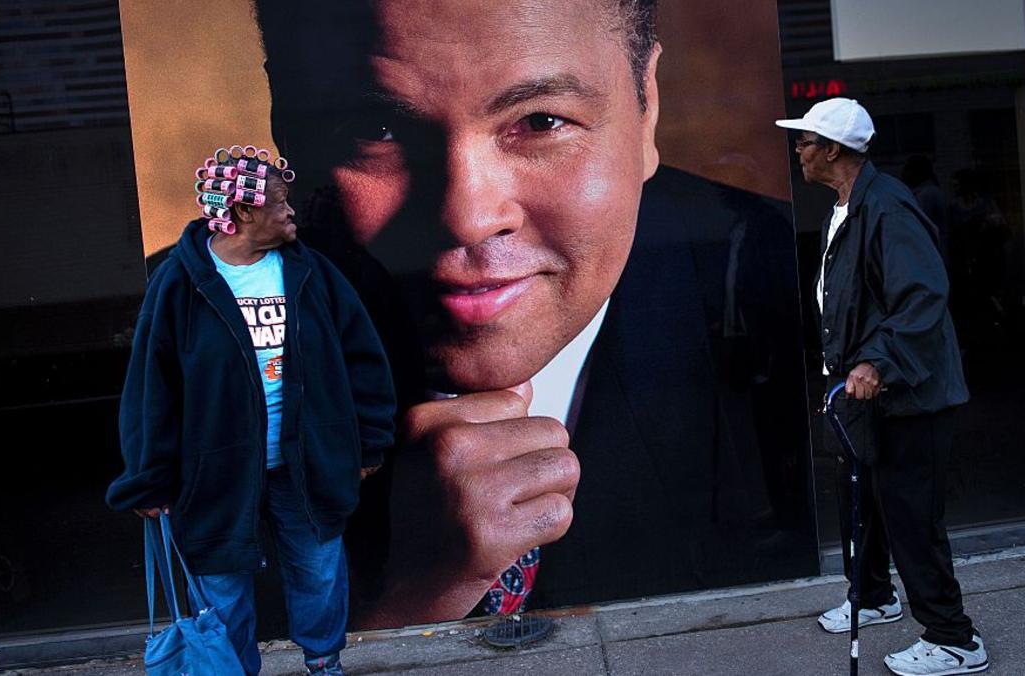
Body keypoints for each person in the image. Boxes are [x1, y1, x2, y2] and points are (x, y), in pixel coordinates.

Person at [253, 0, 815, 628]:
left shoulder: (783, 279)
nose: (466, 217)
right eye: (376, 131)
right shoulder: (206, 322)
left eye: (542, 121)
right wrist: (402, 607)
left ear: (646, 106)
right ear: (285, 126)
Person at [106, 146, 397, 675]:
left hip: (303, 464)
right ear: (242, 213)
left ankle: (324, 663)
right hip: (214, 471)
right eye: (280, 203)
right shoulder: (179, 283)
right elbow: (152, 388)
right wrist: (148, 479)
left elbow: (364, 361)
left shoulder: (313, 274)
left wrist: (369, 440)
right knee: (222, 586)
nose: (292, 213)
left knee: (317, 570)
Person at [776, 98, 988, 675]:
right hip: (863, 395)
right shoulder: (843, 209)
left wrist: (877, 363)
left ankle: (955, 639)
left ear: (835, 151)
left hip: (907, 396)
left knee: (912, 517)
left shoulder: (888, 208)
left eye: (806, 141)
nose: (798, 150)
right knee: (862, 504)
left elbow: (922, 297)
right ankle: (872, 597)